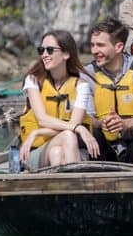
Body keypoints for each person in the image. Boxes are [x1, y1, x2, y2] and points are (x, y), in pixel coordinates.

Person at [18, 30, 100, 170]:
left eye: (50, 50)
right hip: (37, 151)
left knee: (57, 152)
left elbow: (72, 126)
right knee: (68, 134)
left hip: (70, 148)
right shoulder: (33, 80)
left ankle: (63, 190)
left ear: (66, 54)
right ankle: (77, 186)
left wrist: (38, 132)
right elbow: (43, 119)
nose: (44, 55)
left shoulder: (81, 86)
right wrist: (78, 128)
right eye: (41, 50)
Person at [84, 18, 133, 168]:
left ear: (118, 47)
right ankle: (96, 184)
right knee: (92, 133)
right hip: (103, 146)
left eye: (100, 45)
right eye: (92, 45)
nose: (94, 51)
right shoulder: (87, 73)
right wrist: (103, 123)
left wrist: (125, 124)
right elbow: (88, 117)